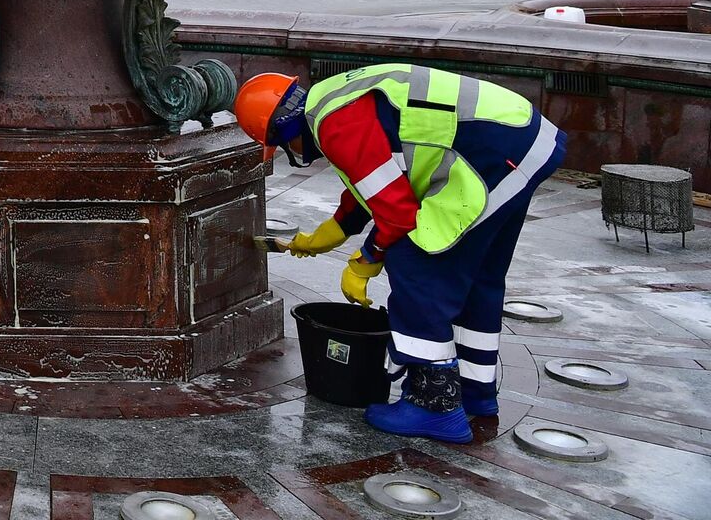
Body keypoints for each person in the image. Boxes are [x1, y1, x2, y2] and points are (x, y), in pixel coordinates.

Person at [233, 63, 567, 444]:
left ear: (286, 133)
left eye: (281, 148)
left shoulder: (335, 125)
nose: (291, 154)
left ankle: (433, 405)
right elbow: (376, 176)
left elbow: (397, 212)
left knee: (415, 262)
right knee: (478, 278)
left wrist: (366, 260)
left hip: (493, 156)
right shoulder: (331, 103)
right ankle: (475, 394)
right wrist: (334, 231)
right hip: (521, 140)